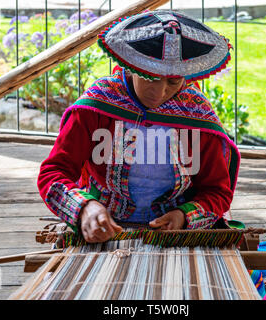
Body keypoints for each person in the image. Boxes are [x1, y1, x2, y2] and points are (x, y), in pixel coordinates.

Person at [37, 10, 240, 244]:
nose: (159, 92)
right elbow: (53, 173)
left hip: (175, 235)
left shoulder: (196, 115)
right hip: (103, 230)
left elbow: (218, 192)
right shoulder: (97, 107)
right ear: (131, 65)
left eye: (173, 81)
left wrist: (183, 216)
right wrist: (85, 208)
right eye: (150, 77)